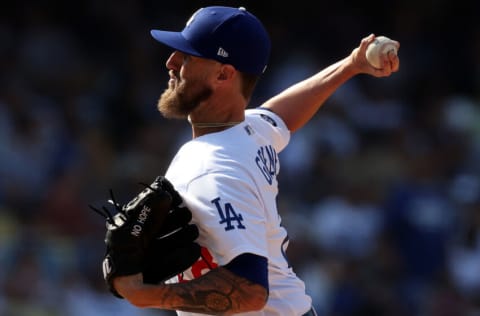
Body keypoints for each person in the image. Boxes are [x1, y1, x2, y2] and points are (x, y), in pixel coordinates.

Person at [112, 5, 400, 315]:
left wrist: (146, 295)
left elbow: (250, 291)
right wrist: (350, 65)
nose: (171, 62)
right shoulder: (248, 130)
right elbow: (281, 115)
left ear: (224, 74)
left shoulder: (213, 167)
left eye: (188, 56)